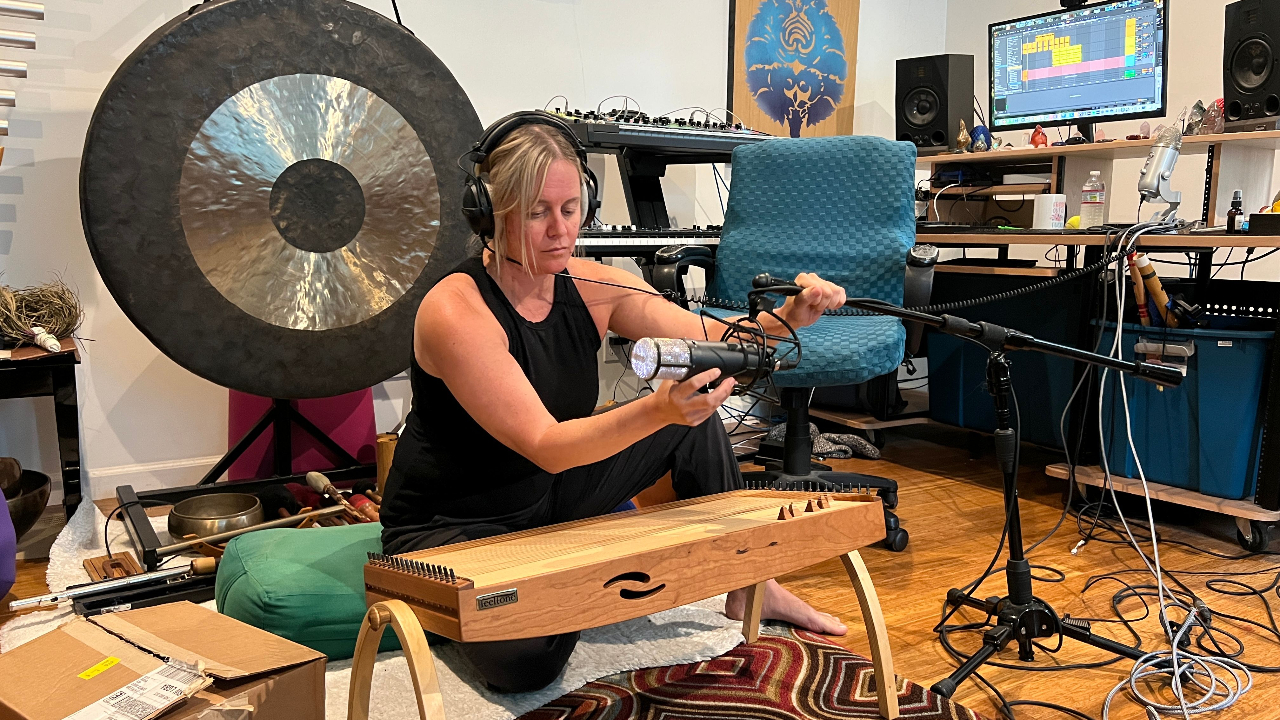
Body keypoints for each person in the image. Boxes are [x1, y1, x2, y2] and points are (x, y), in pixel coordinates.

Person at [380, 112, 849, 693]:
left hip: (547, 496)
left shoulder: (593, 284)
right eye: (537, 212)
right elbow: (546, 445)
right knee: (527, 664)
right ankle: (554, 576)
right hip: (454, 525)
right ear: (489, 213)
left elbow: (709, 336)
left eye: (570, 208)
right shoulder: (455, 310)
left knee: (693, 425)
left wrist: (786, 318)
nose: (561, 230)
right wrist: (656, 409)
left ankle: (752, 583)